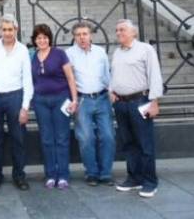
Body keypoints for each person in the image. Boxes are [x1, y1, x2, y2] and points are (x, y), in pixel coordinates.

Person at [110, 19, 163, 198]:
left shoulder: (145, 50)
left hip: (140, 101)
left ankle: (150, 182)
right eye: (117, 30)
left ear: (134, 32)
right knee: (128, 143)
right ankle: (134, 178)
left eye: (122, 30)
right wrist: (111, 91)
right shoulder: (117, 52)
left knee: (144, 144)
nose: (119, 33)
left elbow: (154, 75)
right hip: (121, 104)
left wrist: (155, 101)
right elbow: (114, 74)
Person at [0, 14, 33, 191]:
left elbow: (27, 79)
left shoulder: (22, 50)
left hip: (15, 96)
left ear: (16, 30)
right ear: (0, 30)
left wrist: (25, 107)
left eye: (10, 29)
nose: (7, 33)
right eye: (4, 29)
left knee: (18, 138)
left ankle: (19, 175)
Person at [66, 21, 115, 187]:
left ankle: (106, 173)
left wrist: (111, 92)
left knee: (108, 136)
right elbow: (68, 79)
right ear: (74, 37)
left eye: (85, 34)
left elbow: (107, 75)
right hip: (82, 100)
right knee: (86, 138)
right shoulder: (69, 54)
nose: (82, 38)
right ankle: (92, 173)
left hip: (102, 98)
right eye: (78, 35)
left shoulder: (100, 52)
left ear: (91, 35)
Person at [31, 23, 78, 190]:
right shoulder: (33, 56)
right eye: (38, 38)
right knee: (46, 139)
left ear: (49, 38)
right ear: (35, 40)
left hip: (60, 100)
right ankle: (50, 175)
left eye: (44, 37)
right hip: (40, 101)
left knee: (62, 138)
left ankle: (63, 175)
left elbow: (70, 77)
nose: (42, 40)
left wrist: (74, 99)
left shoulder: (59, 54)